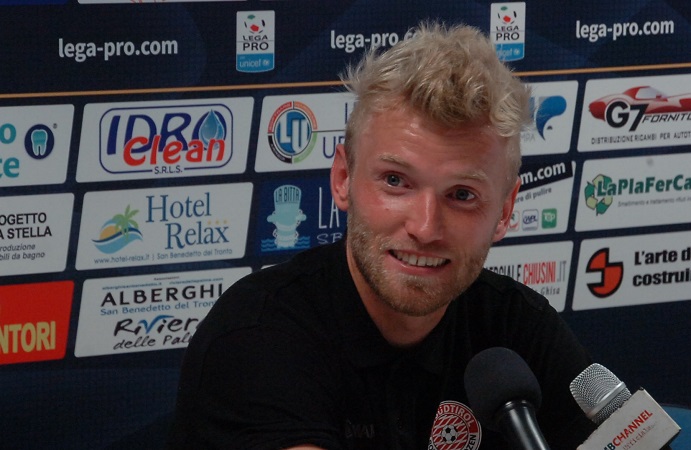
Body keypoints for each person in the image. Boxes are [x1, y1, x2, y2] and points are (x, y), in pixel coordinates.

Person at [167, 21, 597, 449]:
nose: (425, 228)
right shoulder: (257, 336)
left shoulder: (520, 327)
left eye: (462, 195)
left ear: (504, 211)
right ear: (343, 178)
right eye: (395, 181)